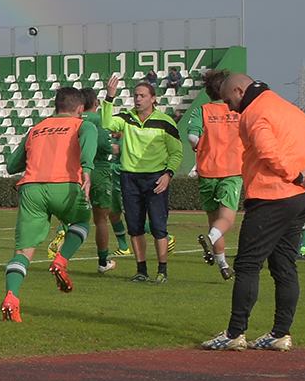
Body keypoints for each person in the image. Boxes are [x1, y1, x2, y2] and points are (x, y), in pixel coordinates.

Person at [200, 71, 305, 351]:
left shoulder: (253, 112)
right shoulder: (292, 110)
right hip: (301, 199)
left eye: (229, 100)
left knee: (247, 266)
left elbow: (267, 152)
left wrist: (296, 176)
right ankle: (281, 333)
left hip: (271, 197)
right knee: (284, 267)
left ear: (240, 92)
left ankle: (234, 333)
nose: (229, 108)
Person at [0, 86, 96, 323]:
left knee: (23, 251)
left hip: (31, 188)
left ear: (56, 106)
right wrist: (88, 171)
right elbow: (89, 142)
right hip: (65, 185)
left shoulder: (36, 129)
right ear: (80, 108)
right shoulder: (82, 125)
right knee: (82, 222)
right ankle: (61, 261)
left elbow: (12, 165)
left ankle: (11, 297)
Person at [101, 73, 182, 282]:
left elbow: (177, 152)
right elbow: (106, 124)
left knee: (158, 227)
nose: (138, 99)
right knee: (135, 227)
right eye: (136, 95)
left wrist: (168, 174)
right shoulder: (126, 118)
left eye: (143, 96)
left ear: (153, 98)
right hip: (130, 178)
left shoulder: (165, 122)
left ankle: (162, 270)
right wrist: (110, 97)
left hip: (156, 178)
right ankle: (141, 270)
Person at [188, 70, 244, 279]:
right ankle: (210, 239)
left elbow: (193, 137)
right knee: (226, 219)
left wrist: (202, 147)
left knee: (214, 220)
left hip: (207, 171)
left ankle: (222, 264)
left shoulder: (202, 111)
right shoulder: (238, 111)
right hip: (231, 171)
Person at [80, 89, 132, 272]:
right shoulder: (99, 120)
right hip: (100, 171)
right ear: (95, 103)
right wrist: (113, 148)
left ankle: (61, 252)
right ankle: (103, 261)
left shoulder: (74, 119)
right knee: (102, 219)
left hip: (75, 171)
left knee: (73, 217)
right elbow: (103, 145)